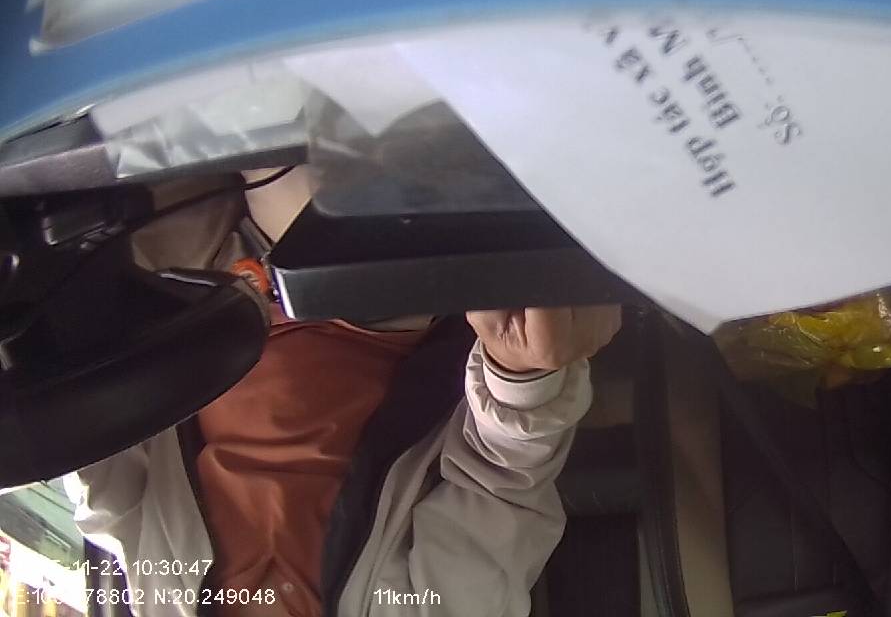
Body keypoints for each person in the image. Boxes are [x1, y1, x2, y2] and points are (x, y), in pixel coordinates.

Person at [64, 168, 622, 617]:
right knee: (290, 164)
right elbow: (498, 481)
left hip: (188, 306)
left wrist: (47, 394)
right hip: (360, 304)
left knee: (84, 183)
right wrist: (518, 374)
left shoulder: (161, 601)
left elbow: (105, 487)